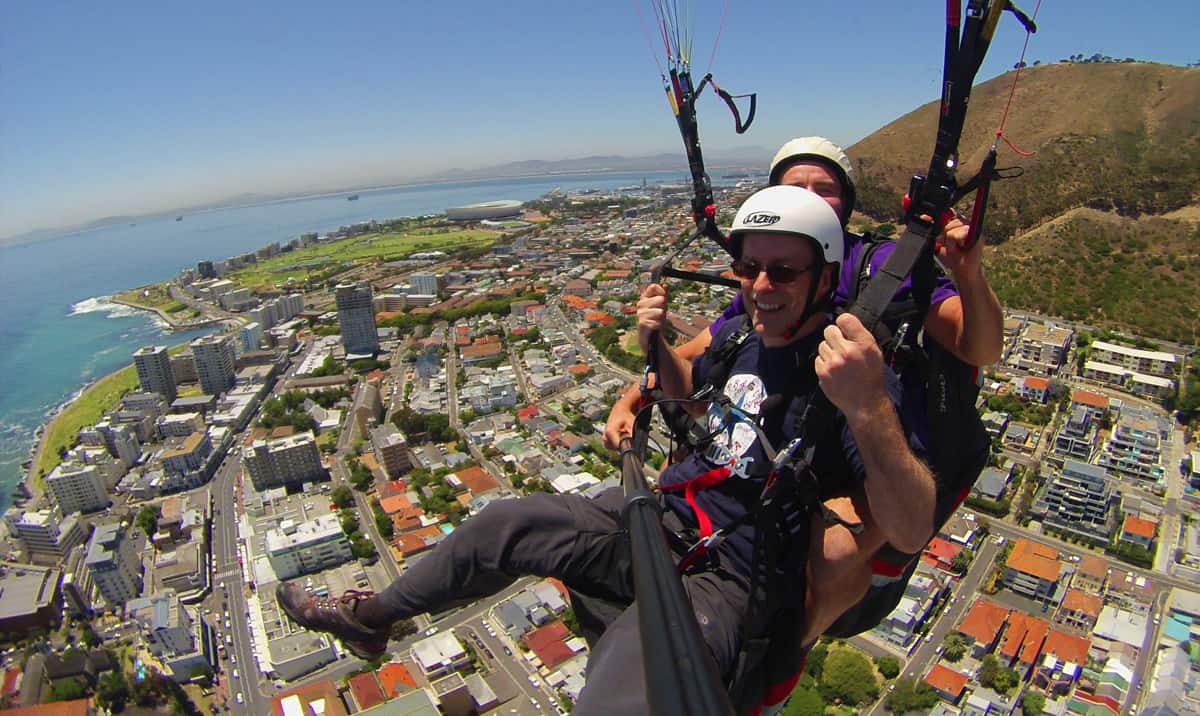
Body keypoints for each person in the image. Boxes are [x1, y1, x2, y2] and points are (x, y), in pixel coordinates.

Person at [276, 186, 935, 714]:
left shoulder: (852, 374)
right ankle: (372, 617)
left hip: (735, 571)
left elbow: (910, 528)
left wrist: (870, 404)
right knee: (507, 523)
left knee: (636, 667)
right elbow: (686, 399)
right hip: (658, 516)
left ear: (825, 276)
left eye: (783, 270)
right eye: (748, 266)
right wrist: (654, 348)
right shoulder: (741, 339)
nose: (760, 286)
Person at [602, 136, 1003, 643]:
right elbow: (703, 353)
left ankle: (781, 656)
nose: (812, 196)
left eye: (826, 188)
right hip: (792, 442)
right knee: (679, 469)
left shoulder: (879, 266)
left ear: (847, 203)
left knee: (831, 553)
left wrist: (969, 275)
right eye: (796, 187)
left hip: (871, 447)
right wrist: (631, 399)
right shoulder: (767, 273)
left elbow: (980, 347)